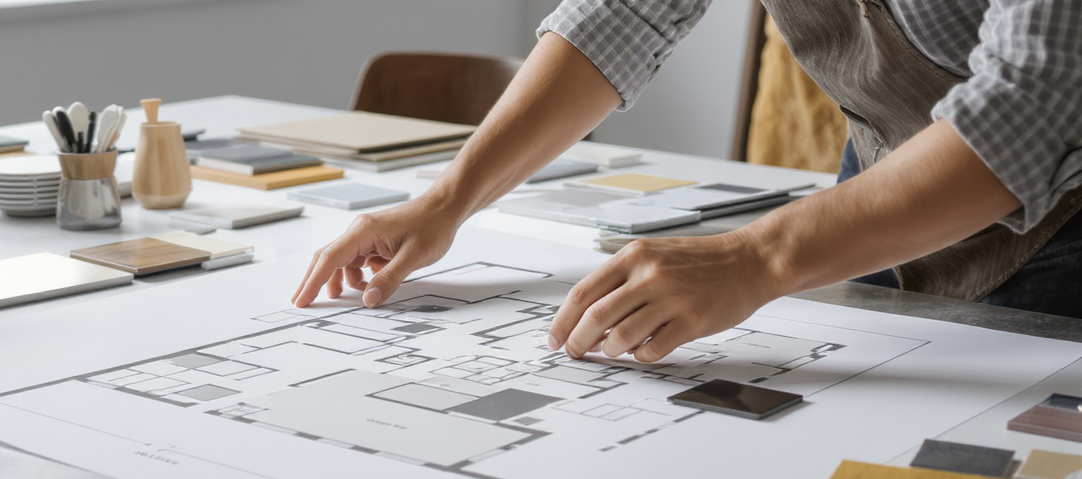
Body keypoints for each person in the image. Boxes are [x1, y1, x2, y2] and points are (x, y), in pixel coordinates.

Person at [291, 0, 1082, 364]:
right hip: (885, 181)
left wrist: (753, 259)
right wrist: (447, 198)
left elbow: (1031, 107)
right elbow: (625, 14)